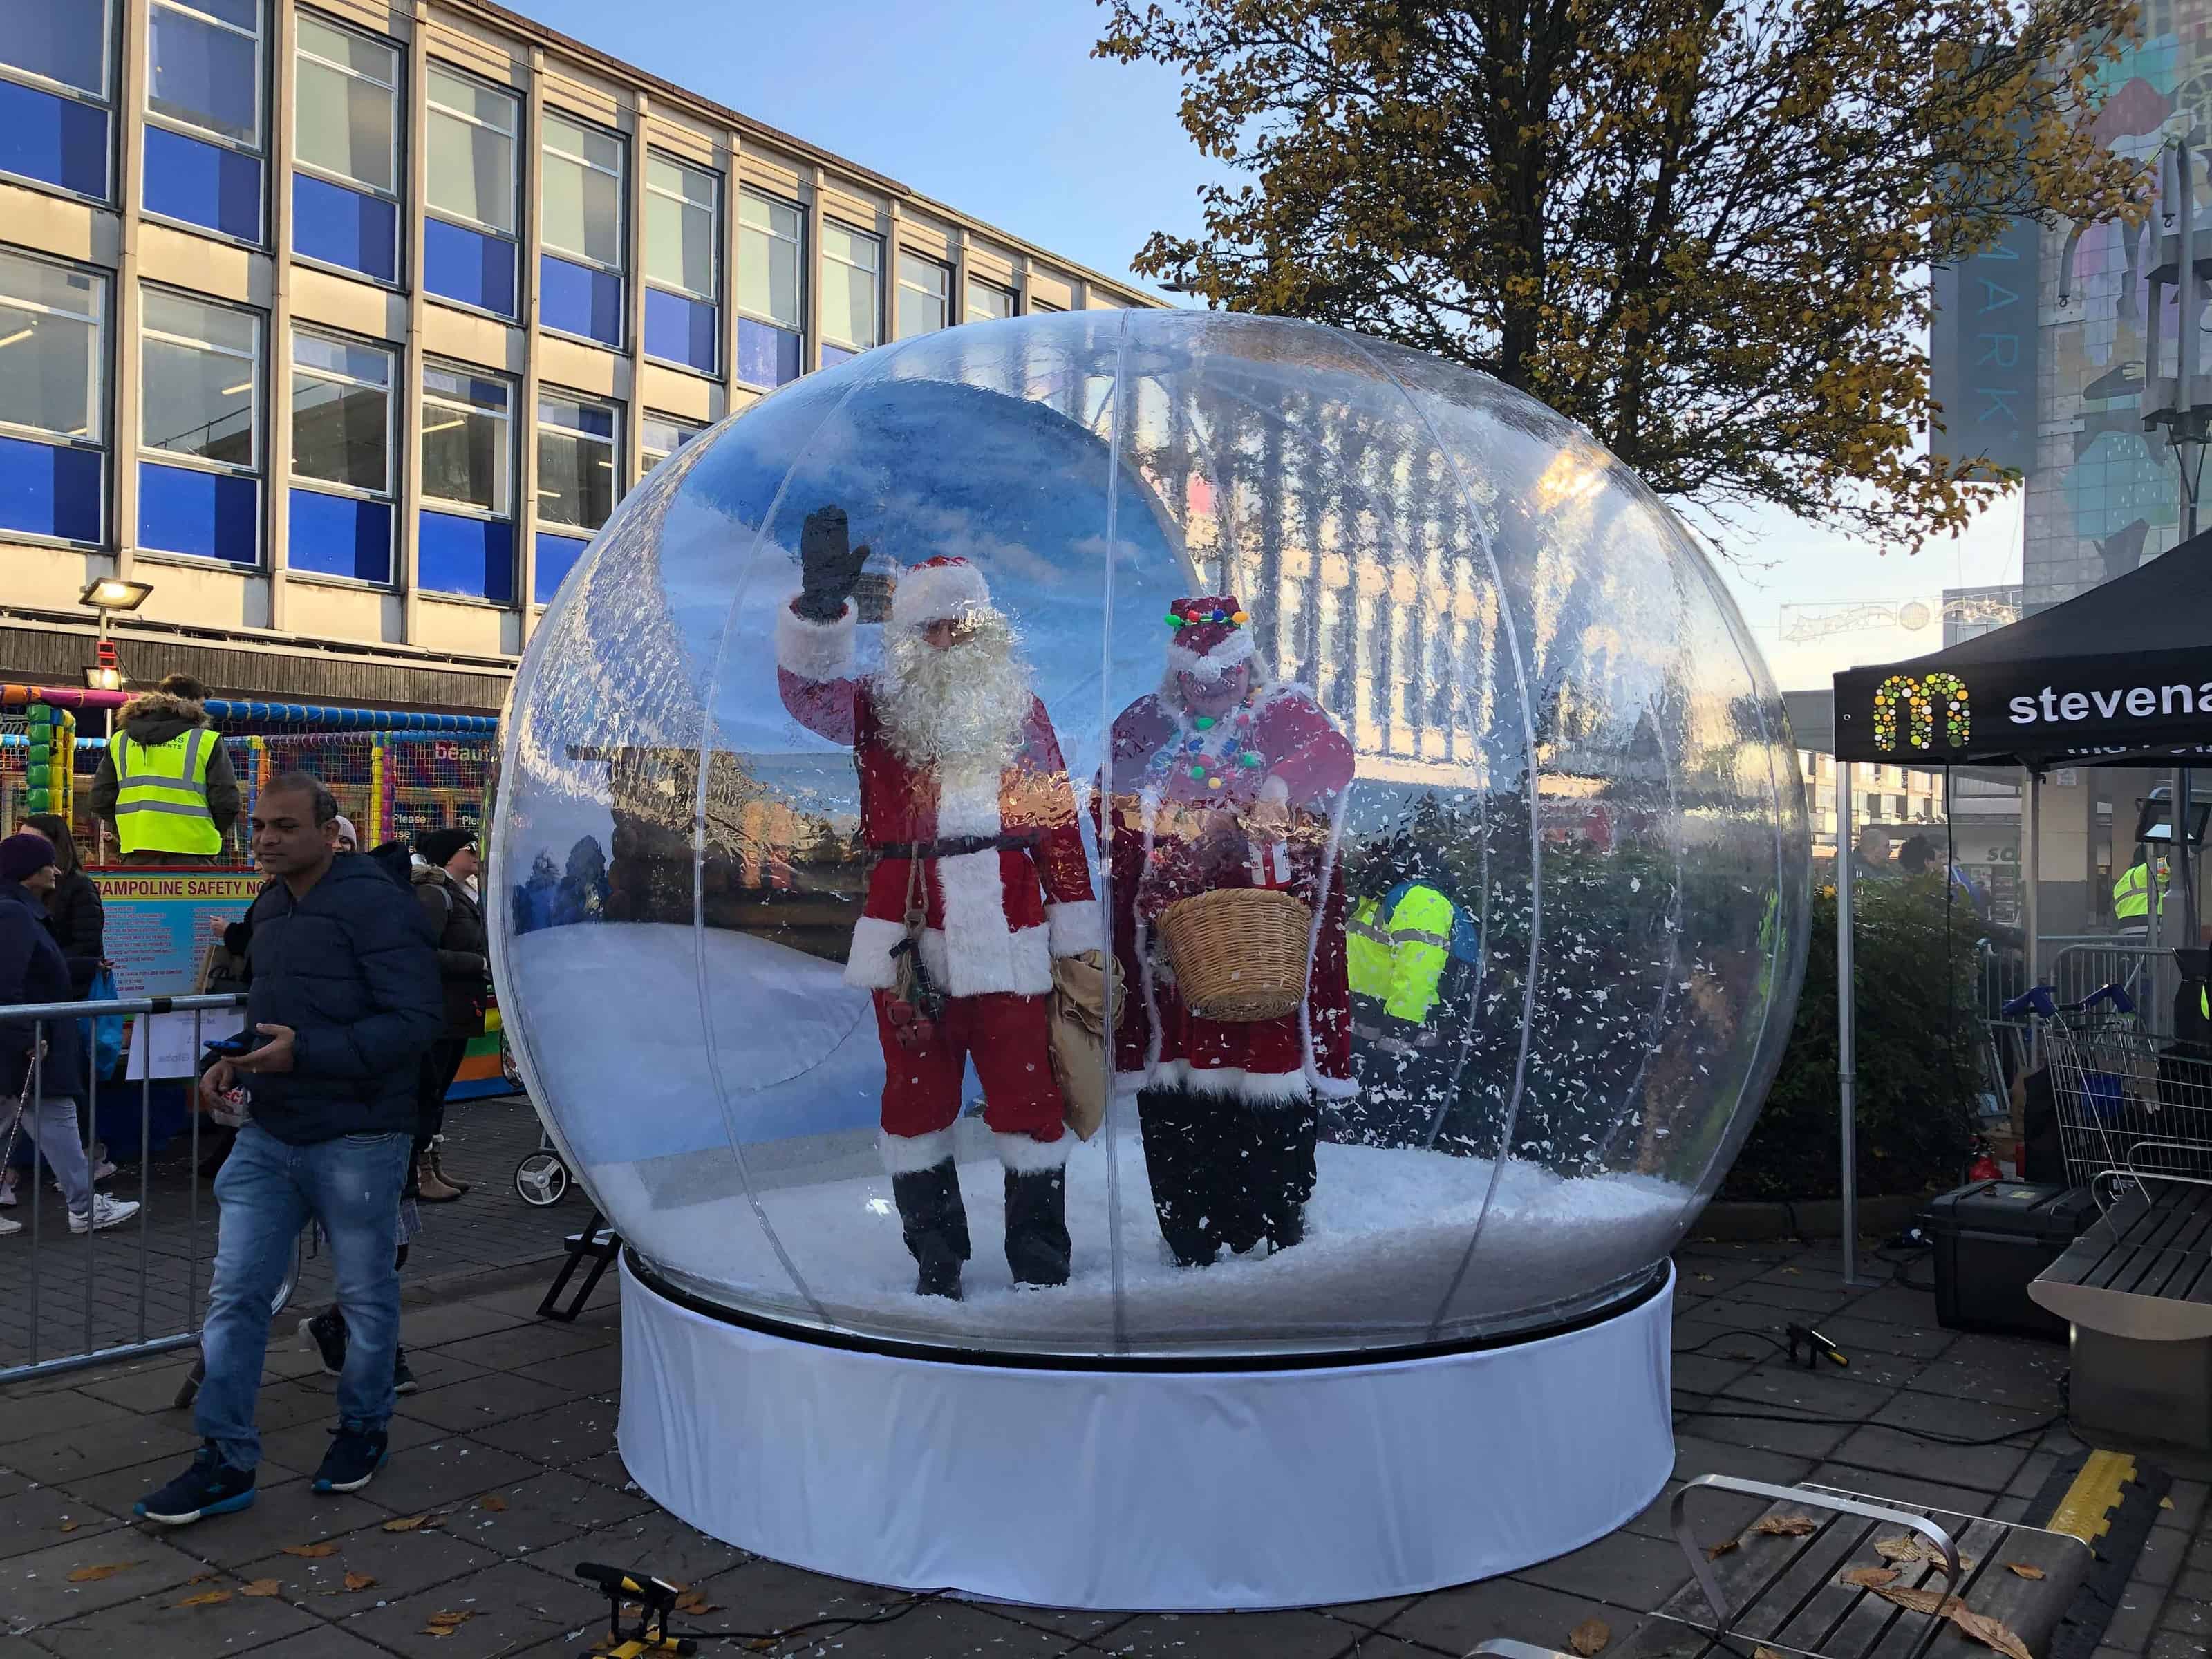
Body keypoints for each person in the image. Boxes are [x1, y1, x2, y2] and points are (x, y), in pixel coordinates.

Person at [777, 508, 1100, 1299]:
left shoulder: (1021, 714)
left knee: (1028, 1099)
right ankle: (936, 1259)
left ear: (984, 628)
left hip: (1012, 925)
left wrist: (1076, 932)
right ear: (908, 637)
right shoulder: (877, 708)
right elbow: (810, 699)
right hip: (910, 930)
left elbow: (1056, 821)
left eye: (958, 624)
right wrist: (818, 616)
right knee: (914, 1101)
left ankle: (1039, 1259)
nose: (946, 640)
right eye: (929, 628)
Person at [134, 772, 442, 1524]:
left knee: (366, 1298)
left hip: (361, 1137)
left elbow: (415, 1023)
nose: (266, 840)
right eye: (259, 828)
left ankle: (364, 1429)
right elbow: (271, 1015)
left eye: (283, 827)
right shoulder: (269, 906)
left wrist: (305, 1054)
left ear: (329, 832)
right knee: (236, 1297)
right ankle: (225, 1458)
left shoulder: (376, 906)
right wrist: (231, 1059)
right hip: (271, 1135)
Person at [1097, 594, 1356, 1267]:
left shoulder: (1282, 712)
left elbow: (1332, 754)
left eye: (1224, 676)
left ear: (1246, 670)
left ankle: (1273, 1228)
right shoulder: (1144, 725)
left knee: (1264, 1085)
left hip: (1259, 941)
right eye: (1195, 677)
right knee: (1177, 1093)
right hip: (1173, 952)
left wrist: (1277, 785)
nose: (1210, 688)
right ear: (1176, 673)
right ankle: (1189, 1231)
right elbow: (1107, 802)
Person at [0, 832, 140, 1239]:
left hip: (22, 1039)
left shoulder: (19, 912)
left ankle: (84, 1203)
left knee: (12, 1120)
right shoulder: (14, 914)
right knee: (57, 1118)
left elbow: (37, 967)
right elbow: (8, 983)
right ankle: (84, 1206)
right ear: (30, 872)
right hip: (33, 1042)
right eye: (49, 863)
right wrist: (29, 1036)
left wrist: (84, 967)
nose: (57, 869)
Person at [1341, 825, 1482, 1149]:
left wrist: (1398, 1037)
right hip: (1375, 1037)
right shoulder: (1383, 898)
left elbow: (1419, 969)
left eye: (1373, 852)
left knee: (1390, 1137)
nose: (1363, 858)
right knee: (1364, 1136)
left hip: (1403, 1042)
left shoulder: (1421, 899)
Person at [89, 673, 243, 865]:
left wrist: (135, 827)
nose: (204, 711)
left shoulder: (120, 741)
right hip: (194, 855)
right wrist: (213, 833)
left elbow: (100, 799)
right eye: (201, 705)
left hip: (136, 854)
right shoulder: (205, 741)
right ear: (186, 702)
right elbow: (227, 801)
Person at [409, 826, 487, 1201]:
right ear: (448, 856)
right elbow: (422, 953)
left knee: (437, 1093)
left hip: (457, 1009)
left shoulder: (465, 893)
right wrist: (478, 963)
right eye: (469, 848)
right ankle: (419, 1172)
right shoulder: (434, 895)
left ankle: (432, 1164)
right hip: (438, 1009)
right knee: (428, 1090)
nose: (476, 853)